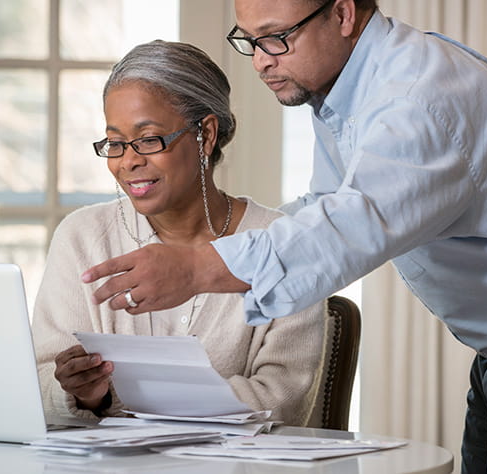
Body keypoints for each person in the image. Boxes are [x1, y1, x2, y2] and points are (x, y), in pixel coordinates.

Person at [81, 1, 487, 472]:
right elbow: (327, 207)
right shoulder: (349, 92)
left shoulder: (418, 97)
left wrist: (196, 268)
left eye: (276, 37)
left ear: (343, 14)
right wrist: (207, 254)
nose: (262, 60)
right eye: (249, 41)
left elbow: (352, 227)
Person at [31, 40, 329, 427]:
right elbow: (38, 383)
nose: (128, 161)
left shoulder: (284, 244)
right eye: (116, 144)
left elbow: (283, 403)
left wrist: (121, 397)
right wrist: (83, 393)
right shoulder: (82, 237)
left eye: (148, 139)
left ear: (206, 134)